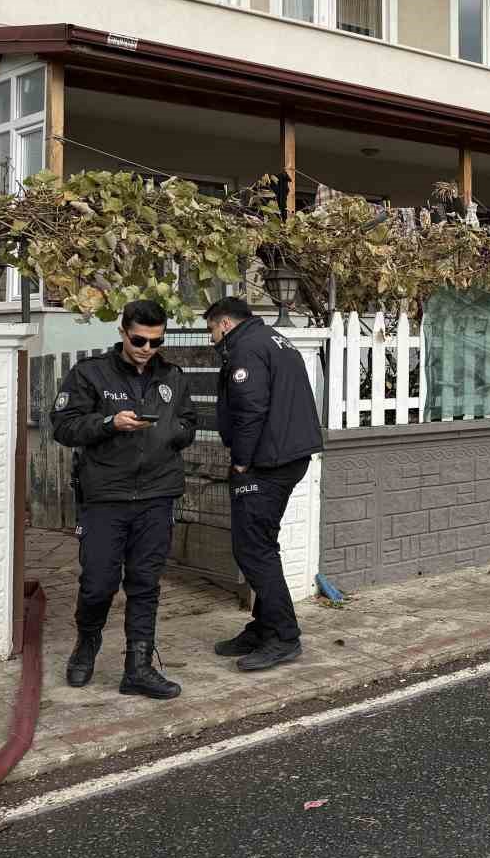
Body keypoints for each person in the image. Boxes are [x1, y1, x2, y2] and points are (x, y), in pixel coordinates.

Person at [51, 300, 196, 699]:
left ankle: (139, 667)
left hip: (157, 493)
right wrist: (107, 423)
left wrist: (175, 432)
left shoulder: (172, 376)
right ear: (122, 332)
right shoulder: (90, 374)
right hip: (105, 496)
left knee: (145, 583)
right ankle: (87, 642)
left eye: (155, 341)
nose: (147, 348)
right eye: (139, 340)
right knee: (98, 583)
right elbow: (63, 427)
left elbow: (189, 421)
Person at [205, 296, 324, 671]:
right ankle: (264, 627)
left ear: (225, 323)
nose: (211, 339)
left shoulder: (246, 349)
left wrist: (241, 461)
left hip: (266, 462)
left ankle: (285, 637)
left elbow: (250, 409)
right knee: (261, 545)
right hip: (287, 456)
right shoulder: (274, 339)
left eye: (211, 330)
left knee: (253, 550)